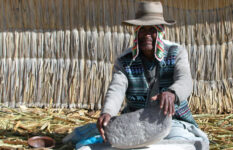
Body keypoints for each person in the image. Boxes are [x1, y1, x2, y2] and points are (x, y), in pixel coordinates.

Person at [63, 1, 209, 149]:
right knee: (106, 138)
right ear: (136, 32)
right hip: (136, 122)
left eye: (152, 29)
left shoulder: (176, 53)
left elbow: (184, 80)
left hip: (172, 121)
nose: (146, 35)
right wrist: (108, 112)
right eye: (142, 29)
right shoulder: (125, 60)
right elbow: (117, 88)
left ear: (160, 31)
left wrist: (172, 93)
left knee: (180, 142)